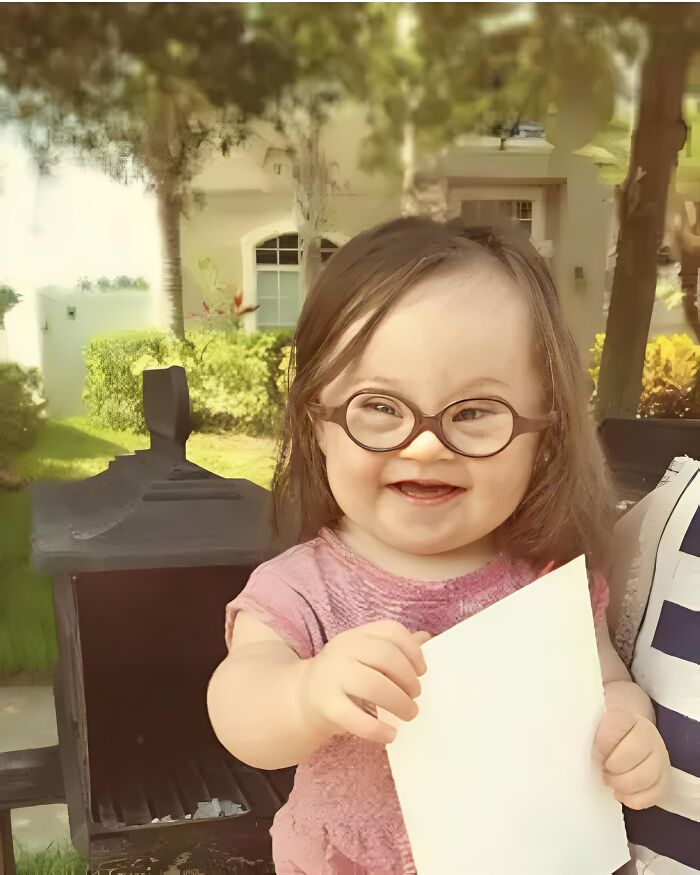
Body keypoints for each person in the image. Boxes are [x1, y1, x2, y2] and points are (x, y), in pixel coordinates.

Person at [207, 217, 670, 875]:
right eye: (380, 407)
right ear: (319, 424)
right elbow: (239, 706)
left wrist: (629, 727)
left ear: (545, 430)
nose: (425, 445)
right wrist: (305, 692)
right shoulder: (303, 587)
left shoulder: (543, 581)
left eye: (475, 412)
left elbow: (605, 685)